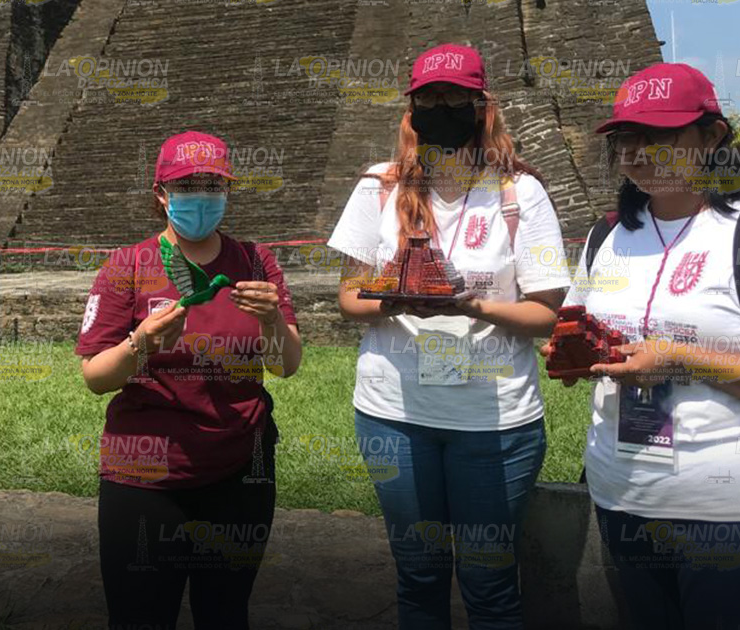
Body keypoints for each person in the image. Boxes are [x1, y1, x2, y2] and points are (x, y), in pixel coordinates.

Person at [549, 62, 740, 629]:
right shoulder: (608, 236)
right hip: (625, 499)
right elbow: (578, 325)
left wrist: (686, 359)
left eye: (659, 135)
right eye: (625, 139)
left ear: (712, 137)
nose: (637, 152)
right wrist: (576, 353)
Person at [327, 43, 571, 630]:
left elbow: (544, 314)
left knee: (490, 582)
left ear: (481, 105)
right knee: (418, 573)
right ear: (411, 111)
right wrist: (392, 298)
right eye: (428, 97)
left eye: (455, 96)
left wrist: (477, 306)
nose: (441, 107)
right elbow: (349, 296)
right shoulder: (379, 186)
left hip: (494, 421)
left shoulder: (518, 192)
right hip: (394, 410)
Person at [76, 130, 302, 630]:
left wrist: (269, 321)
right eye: (186, 187)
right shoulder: (128, 266)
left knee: (225, 614)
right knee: (140, 617)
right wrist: (140, 345)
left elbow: (284, 365)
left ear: (227, 191)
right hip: (145, 476)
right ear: (161, 194)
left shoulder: (254, 262)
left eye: (212, 186)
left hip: (241, 468)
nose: (201, 198)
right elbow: (95, 376)